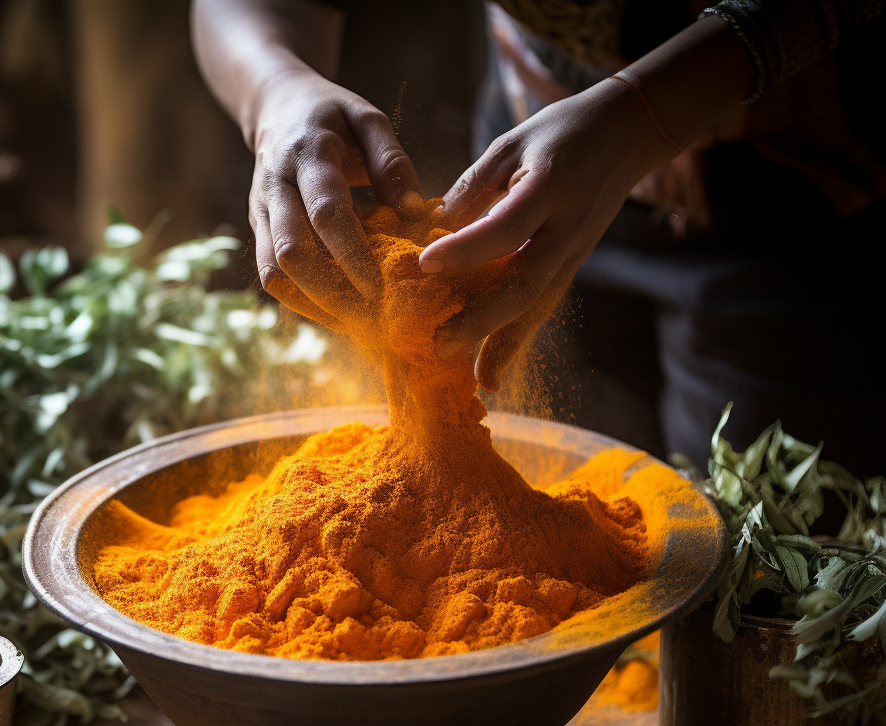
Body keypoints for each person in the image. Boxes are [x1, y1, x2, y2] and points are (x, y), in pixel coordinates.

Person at [191, 0, 885, 474]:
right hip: (527, 170)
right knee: (560, 464)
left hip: (790, 197)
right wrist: (275, 93)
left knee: (764, 576)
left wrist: (643, 114)